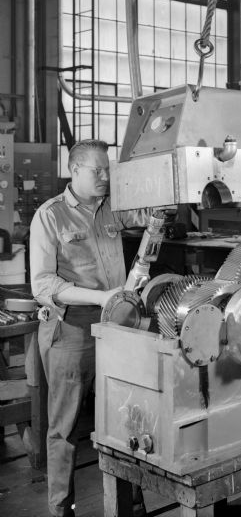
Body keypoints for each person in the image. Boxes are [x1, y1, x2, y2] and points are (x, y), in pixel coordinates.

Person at [30, 139, 150, 517]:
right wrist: (101, 298)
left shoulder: (113, 208)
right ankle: (60, 508)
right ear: (74, 170)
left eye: (108, 170)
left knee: (124, 418)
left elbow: (152, 216)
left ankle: (130, 503)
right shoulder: (50, 216)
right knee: (64, 428)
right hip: (72, 331)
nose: (105, 176)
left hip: (116, 327)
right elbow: (43, 285)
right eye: (97, 170)